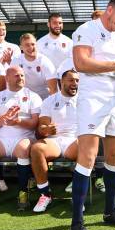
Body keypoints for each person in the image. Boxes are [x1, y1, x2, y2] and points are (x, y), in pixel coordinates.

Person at [69, 0, 115, 230]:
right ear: (109, 11)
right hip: (92, 98)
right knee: (87, 157)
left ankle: (110, 211)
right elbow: (81, 63)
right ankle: (76, 224)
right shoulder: (86, 30)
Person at [0, 66, 42, 212]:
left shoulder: (33, 96)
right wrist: (4, 118)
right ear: (6, 78)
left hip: (24, 137)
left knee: (24, 149)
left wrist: (18, 122)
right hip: (2, 138)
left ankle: (23, 193)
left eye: (22, 75)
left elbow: (34, 124)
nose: (20, 78)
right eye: (16, 75)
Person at [30, 69, 80, 213]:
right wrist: (46, 130)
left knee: (86, 147)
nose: (74, 83)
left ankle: (77, 195)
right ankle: (45, 194)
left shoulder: (84, 100)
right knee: (36, 149)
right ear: (61, 82)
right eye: (71, 80)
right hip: (55, 140)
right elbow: (42, 127)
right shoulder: (49, 101)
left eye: (77, 81)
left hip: (75, 140)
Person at [11, 33, 57, 99]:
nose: (31, 47)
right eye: (27, 45)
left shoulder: (45, 61)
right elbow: (11, 83)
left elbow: (54, 90)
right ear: (21, 47)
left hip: (44, 98)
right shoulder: (16, 61)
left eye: (33, 44)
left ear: (36, 45)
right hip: (24, 98)